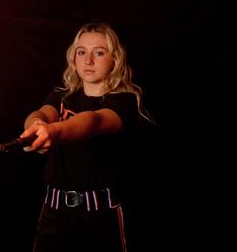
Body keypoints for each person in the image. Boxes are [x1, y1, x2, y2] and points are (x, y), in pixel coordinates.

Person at [20, 22, 154, 252]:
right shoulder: (62, 96)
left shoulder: (124, 101)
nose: (88, 60)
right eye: (82, 52)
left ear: (115, 60)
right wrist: (36, 124)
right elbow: (41, 113)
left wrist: (54, 131)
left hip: (100, 217)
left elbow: (93, 121)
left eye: (99, 53)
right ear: (74, 57)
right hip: (54, 213)